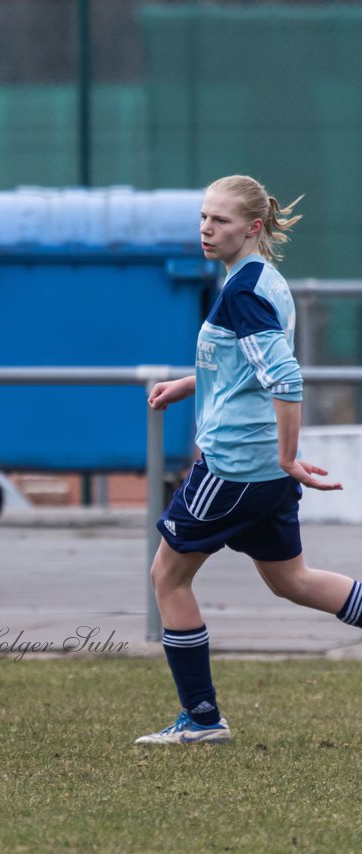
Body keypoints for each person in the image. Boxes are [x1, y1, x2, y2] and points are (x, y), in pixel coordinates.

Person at [138, 174, 354, 745]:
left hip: (234, 466)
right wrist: (192, 383)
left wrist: (288, 458)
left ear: (254, 227)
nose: (207, 229)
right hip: (260, 469)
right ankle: (202, 718)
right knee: (294, 582)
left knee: (167, 577)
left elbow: (284, 376)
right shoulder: (258, 278)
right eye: (204, 217)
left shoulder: (244, 290)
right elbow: (249, 365)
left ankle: (202, 720)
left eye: (221, 221)